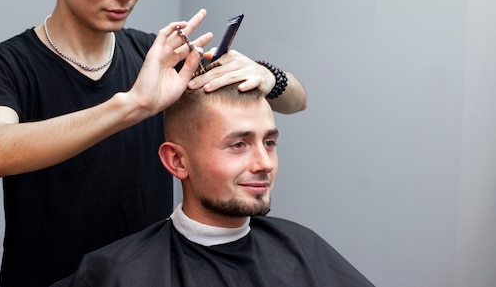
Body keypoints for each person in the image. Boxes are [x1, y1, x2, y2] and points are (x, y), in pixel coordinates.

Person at [0, 0, 307, 287]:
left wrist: (268, 76)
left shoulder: (156, 58)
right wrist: (133, 105)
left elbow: (296, 101)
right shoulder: (8, 64)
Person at [60, 84, 373, 287]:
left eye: (270, 142)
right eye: (238, 144)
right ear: (177, 162)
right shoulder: (116, 273)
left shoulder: (303, 248)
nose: (264, 163)